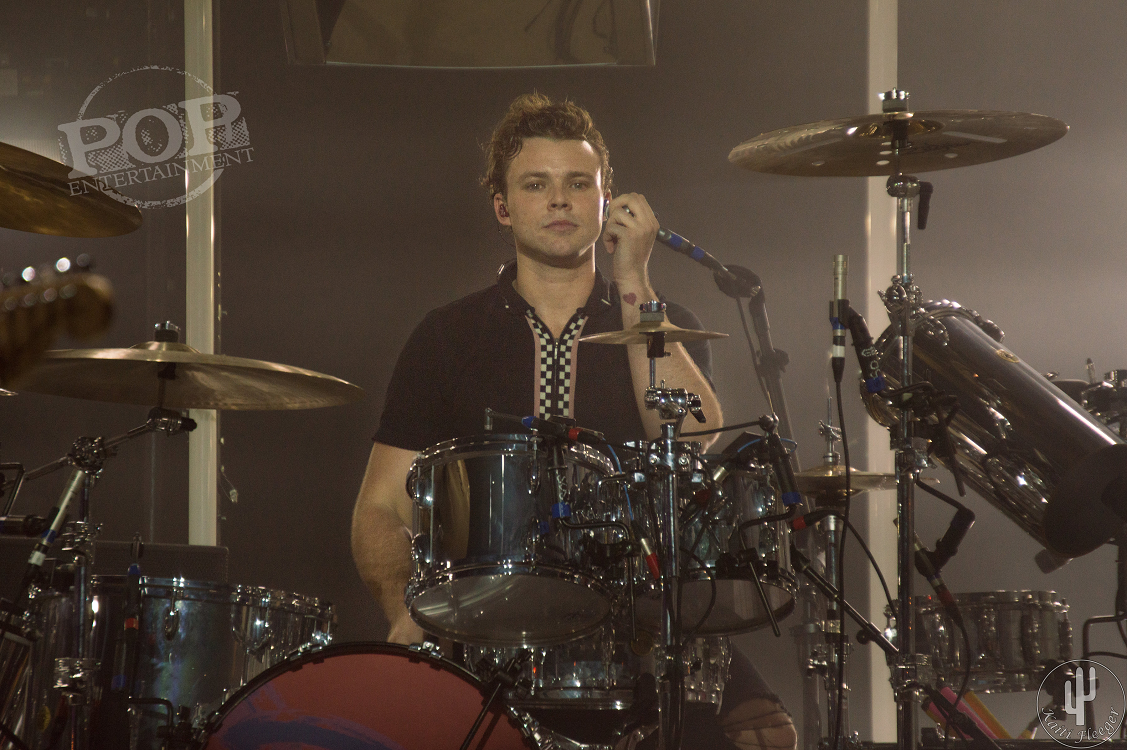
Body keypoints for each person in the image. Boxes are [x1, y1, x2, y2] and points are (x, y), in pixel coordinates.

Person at [352, 93, 796, 750]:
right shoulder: (448, 336)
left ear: (606, 200)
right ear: (503, 206)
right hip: (490, 621)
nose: (559, 200)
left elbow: (695, 436)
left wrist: (633, 277)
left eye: (578, 184)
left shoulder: (658, 317)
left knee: (768, 735)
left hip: (640, 619)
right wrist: (405, 614)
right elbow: (380, 505)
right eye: (536, 184)